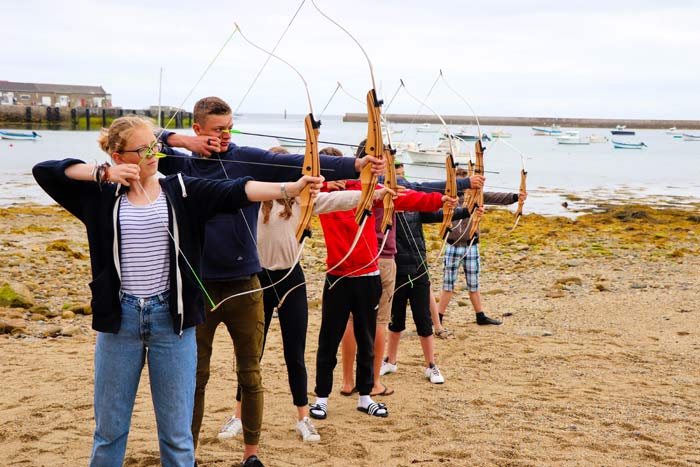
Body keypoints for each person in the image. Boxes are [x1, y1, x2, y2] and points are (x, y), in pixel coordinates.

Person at [32, 115, 322, 467]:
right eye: (143, 149)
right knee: (109, 432)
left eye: (155, 146)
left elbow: (237, 190)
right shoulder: (101, 196)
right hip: (118, 321)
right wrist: (102, 174)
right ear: (118, 155)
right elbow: (45, 170)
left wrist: (289, 188)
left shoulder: (181, 188)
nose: (154, 153)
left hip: (172, 321)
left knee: (177, 436)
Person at [157, 97, 384, 467]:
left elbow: (294, 161)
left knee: (250, 371)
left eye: (229, 127)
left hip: (245, 278)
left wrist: (356, 164)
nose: (225, 135)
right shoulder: (179, 161)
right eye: (216, 130)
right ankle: (188, 454)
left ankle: (252, 455)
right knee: (194, 375)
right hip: (198, 281)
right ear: (197, 129)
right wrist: (181, 141)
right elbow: (134, 141)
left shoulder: (242, 156)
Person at [310, 146, 457, 420]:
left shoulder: (369, 191)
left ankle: (366, 397)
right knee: (328, 340)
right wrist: (326, 183)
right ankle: (321, 398)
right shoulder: (321, 195)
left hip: (368, 276)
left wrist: (440, 200)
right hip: (338, 276)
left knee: (367, 338)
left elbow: (405, 197)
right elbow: (293, 189)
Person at [339, 141, 483, 397]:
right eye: (385, 161)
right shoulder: (381, 186)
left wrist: (461, 204)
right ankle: (373, 382)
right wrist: (462, 184)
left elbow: (427, 203)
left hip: (353, 261)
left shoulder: (346, 186)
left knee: (358, 321)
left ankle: (350, 381)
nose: (390, 169)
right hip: (379, 261)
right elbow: (418, 190)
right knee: (382, 322)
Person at [380, 197, 484, 384]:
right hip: (397, 273)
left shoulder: (415, 209)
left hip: (419, 272)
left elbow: (441, 213)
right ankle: (390, 361)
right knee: (395, 322)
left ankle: (431, 365)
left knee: (424, 322)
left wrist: (468, 210)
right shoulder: (386, 212)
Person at [436, 167, 527, 327]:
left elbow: (495, 197)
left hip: (471, 245)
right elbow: (435, 210)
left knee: (474, 283)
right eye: (457, 181)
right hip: (452, 244)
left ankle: (480, 315)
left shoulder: (476, 195)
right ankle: (438, 317)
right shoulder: (447, 198)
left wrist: (515, 197)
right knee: (448, 284)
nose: (461, 185)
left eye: (463, 181)